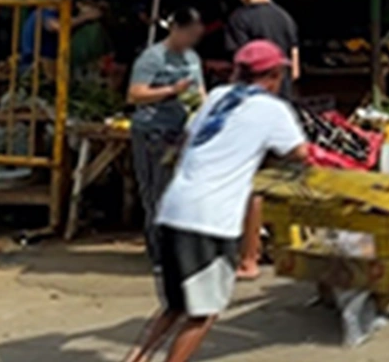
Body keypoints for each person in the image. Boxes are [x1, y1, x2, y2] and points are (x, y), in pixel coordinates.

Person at [123, 40, 306, 362]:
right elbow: (300, 152)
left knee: (176, 306)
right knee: (203, 313)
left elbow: (192, 136)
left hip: (174, 209)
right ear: (274, 76)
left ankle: (135, 359)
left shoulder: (218, 97)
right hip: (209, 219)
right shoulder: (273, 110)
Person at [222, 0, 298, 279]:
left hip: (253, 111)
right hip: (284, 108)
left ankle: (249, 260)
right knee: (283, 182)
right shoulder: (285, 18)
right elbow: (295, 69)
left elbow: (239, 71)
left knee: (252, 186)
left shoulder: (240, 20)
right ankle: (285, 249)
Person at [126, 8, 206, 264]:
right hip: (153, 131)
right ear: (175, 29)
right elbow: (135, 95)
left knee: (179, 192)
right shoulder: (152, 58)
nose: (192, 40)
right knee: (157, 193)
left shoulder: (192, 58)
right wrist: (172, 90)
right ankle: (159, 253)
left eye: (196, 36)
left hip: (182, 132)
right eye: (189, 34)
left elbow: (200, 91)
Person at [226, 0, 300, 97]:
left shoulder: (239, 19)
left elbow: (240, 66)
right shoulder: (286, 18)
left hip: (254, 99)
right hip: (284, 100)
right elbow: (295, 71)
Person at [21, 0, 104, 66]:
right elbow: (59, 26)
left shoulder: (40, 13)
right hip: (36, 66)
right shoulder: (45, 13)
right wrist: (86, 16)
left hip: (40, 64)